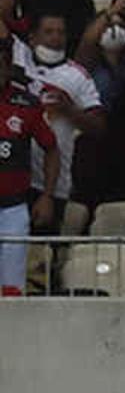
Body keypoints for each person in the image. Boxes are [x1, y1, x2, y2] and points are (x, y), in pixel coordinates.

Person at [15, 14, 105, 233]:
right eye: (48, 31)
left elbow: (99, 127)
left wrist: (69, 110)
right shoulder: (16, 63)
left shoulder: (78, 76)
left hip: (51, 186)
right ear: (33, 38)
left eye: (60, 32)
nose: (55, 37)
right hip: (13, 177)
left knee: (42, 259)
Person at [0, 41, 59, 294]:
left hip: (13, 209)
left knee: (12, 289)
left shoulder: (26, 104)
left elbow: (52, 149)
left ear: (6, 67)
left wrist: (46, 195)